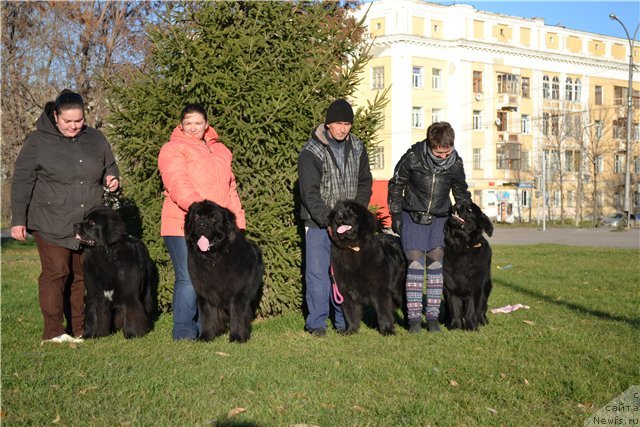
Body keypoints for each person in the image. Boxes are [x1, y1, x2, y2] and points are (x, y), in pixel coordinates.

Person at [11, 89, 120, 343]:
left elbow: (109, 165)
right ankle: (54, 332)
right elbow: (22, 182)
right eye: (68, 121)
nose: (74, 126)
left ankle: (79, 329)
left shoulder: (96, 138)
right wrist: (19, 220)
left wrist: (111, 178)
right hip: (51, 220)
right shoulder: (37, 141)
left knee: (81, 276)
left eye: (79, 120)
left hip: (86, 223)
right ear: (56, 115)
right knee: (57, 272)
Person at [158, 103, 246, 341]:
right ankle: (184, 332)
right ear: (181, 125)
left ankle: (203, 328)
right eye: (188, 124)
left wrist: (238, 223)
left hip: (215, 229)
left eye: (198, 123)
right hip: (182, 225)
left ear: (207, 124)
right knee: (188, 278)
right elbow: (177, 182)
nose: (193, 128)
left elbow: (230, 189)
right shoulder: (172, 149)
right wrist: (202, 213)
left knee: (208, 281)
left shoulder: (221, 151)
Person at [298, 99, 373, 336]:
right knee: (318, 274)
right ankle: (317, 323)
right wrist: (328, 221)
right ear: (328, 124)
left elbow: (365, 182)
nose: (343, 128)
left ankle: (344, 322)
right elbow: (309, 193)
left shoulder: (359, 148)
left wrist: (356, 214)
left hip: (349, 224)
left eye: (347, 124)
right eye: (338, 123)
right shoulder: (311, 151)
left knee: (346, 275)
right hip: (318, 223)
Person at [387, 121, 471, 333]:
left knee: (436, 270)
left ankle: (432, 319)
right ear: (430, 144)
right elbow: (396, 184)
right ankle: (414, 320)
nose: (444, 157)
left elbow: (461, 192)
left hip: (440, 219)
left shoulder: (455, 163)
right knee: (414, 269)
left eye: (448, 151)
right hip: (413, 217)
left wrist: (465, 217)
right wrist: (395, 213)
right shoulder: (413, 156)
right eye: (439, 152)